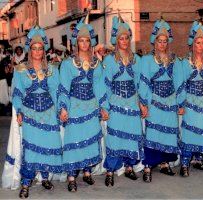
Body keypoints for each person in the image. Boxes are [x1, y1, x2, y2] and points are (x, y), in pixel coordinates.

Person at [12, 26, 62, 198]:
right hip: (30, 114)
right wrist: (19, 110)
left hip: (48, 113)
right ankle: (26, 182)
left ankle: (46, 177)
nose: (38, 51)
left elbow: (57, 91)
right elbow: (17, 92)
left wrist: (61, 109)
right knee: (31, 149)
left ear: (44, 50)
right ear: (29, 49)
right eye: (34, 48)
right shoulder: (20, 70)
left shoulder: (53, 69)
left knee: (48, 145)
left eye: (40, 48)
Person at [58, 17, 108, 192]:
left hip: (91, 107)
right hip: (75, 108)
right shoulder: (66, 64)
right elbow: (63, 88)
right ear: (76, 42)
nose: (85, 44)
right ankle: (72, 176)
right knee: (74, 141)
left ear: (91, 43)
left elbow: (101, 87)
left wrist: (103, 106)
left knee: (88, 141)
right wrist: (63, 107)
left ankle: (87, 172)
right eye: (81, 40)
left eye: (87, 40)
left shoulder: (96, 64)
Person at [139, 19, 183, 182]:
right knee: (153, 133)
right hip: (154, 101)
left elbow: (179, 82)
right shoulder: (146, 60)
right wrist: (144, 103)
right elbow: (143, 82)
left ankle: (164, 163)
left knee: (168, 133)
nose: (162, 44)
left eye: (165, 41)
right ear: (154, 42)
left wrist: (180, 102)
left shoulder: (174, 60)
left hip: (170, 102)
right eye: (159, 41)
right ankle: (148, 165)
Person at [102, 16, 143, 187]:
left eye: (126, 37)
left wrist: (143, 103)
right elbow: (104, 85)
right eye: (121, 38)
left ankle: (129, 167)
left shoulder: (137, 60)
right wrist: (104, 107)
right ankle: (110, 170)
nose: (124, 41)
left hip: (132, 104)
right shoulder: (109, 60)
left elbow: (141, 84)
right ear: (116, 41)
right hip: (116, 105)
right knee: (114, 138)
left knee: (131, 136)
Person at [179, 20, 203, 177]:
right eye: (198, 42)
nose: (200, 46)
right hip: (191, 102)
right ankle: (185, 162)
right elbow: (180, 84)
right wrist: (181, 103)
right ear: (192, 44)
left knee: (202, 132)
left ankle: (199, 158)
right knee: (189, 132)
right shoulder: (185, 63)